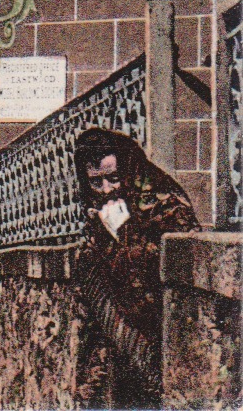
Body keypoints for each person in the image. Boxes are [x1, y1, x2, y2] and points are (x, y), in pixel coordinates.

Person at [72, 128, 199, 410]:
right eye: (96, 182)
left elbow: (161, 270)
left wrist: (123, 231)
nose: (106, 189)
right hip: (113, 343)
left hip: (152, 342)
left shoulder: (165, 204)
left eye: (113, 179)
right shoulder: (100, 207)